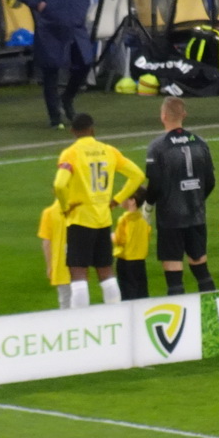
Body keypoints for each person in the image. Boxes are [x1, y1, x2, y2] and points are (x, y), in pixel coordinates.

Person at [54, 113, 145, 308]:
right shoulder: (109, 151)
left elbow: (60, 184)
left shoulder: (71, 153)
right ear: (93, 130)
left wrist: (65, 207)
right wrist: (117, 200)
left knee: (78, 273)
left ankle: (81, 319)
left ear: (72, 131)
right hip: (103, 219)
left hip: (80, 219)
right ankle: (115, 315)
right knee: (105, 271)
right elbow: (137, 175)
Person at [13, 0, 93, 129]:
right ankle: (54, 116)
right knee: (50, 71)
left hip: (75, 24)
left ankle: (67, 98)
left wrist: (82, 5)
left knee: (85, 63)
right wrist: (39, 5)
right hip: (50, 26)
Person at [144, 96, 216, 295]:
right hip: (196, 214)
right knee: (201, 267)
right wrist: (197, 200)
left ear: (163, 115)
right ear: (184, 115)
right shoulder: (200, 142)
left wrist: (148, 206)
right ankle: (213, 312)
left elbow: (155, 183)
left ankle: (179, 322)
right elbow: (210, 181)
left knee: (174, 271)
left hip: (170, 217)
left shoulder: (157, 147)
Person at [112, 187, 150, 300]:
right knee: (141, 291)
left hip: (126, 262)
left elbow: (120, 239)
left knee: (127, 293)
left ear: (132, 201)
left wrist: (111, 236)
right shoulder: (143, 220)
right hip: (140, 262)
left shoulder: (124, 219)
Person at [38, 197, 72, 309]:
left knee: (65, 302)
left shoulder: (49, 213)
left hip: (60, 265)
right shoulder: (79, 210)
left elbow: (47, 243)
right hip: (81, 264)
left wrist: (49, 266)